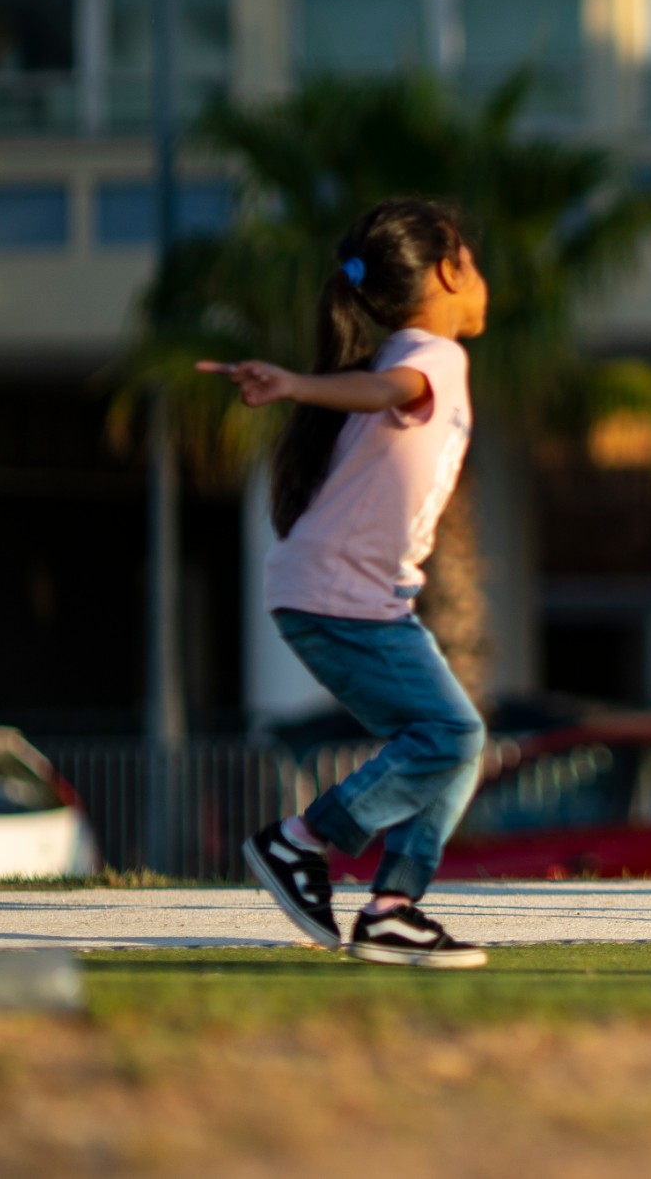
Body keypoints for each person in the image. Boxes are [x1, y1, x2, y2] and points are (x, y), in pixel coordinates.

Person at [200, 197, 489, 970]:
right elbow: (390, 391)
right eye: (475, 262)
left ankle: (394, 907)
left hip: (341, 597)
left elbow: (381, 393)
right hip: (340, 597)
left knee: (450, 745)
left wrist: (300, 384)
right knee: (452, 736)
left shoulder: (407, 355)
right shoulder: (431, 356)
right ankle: (302, 841)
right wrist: (295, 384)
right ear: (447, 271)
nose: (482, 279)